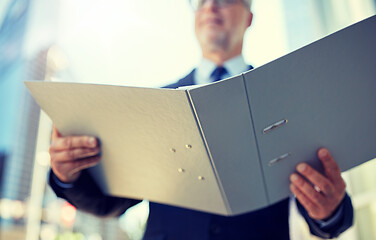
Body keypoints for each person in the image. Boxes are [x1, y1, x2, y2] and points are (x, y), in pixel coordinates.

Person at [48, 0, 353, 239]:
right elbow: (111, 203)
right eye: (202, 0)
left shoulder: (285, 101)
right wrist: (67, 175)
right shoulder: (153, 104)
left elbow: (321, 200)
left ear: (248, 17)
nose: (210, 5)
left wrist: (330, 209)